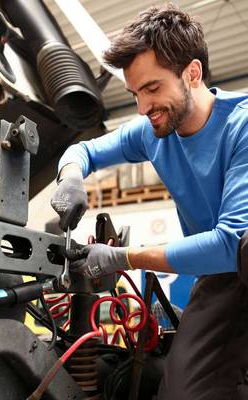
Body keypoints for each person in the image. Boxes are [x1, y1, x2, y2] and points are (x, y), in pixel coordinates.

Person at [51, 4, 248, 399]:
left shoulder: (241, 126)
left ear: (192, 74)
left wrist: (125, 257)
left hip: (240, 258)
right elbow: (84, 151)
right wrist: (70, 176)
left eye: (153, 88)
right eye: (135, 93)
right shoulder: (150, 132)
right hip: (221, 280)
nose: (143, 107)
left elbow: (232, 244)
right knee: (182, 391)